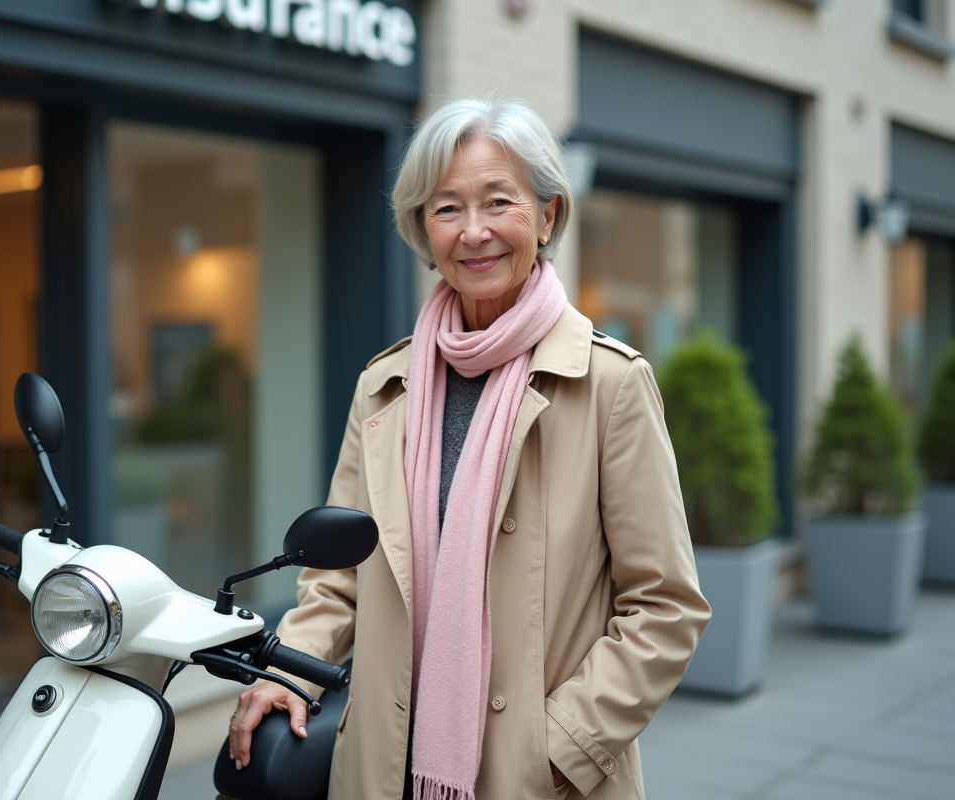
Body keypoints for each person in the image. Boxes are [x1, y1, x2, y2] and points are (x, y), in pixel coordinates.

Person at [227, 95, 711, 800]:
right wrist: (289, 671)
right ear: (423, 228)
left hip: (539, 777)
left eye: (499, 202)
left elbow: (665, 607)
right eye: (448, 208)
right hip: (385, 766)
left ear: (546, 216)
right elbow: (338, 577)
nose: (474, 231)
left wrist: (562, 744)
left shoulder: (609, 383)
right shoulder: (384, 386)